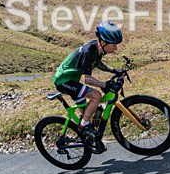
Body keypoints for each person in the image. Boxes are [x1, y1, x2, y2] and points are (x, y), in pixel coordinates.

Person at [52, 21, 124, 149]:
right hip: (64, 81)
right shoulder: (88, 51)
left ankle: (88, 139)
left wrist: (114, 70)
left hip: (73, 79)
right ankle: (84, 125)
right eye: (114, 45)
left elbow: (97, 63)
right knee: (96, 96)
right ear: (104, 42)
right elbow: (88, 79)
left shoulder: (97, 48)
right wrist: (104, 84)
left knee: (90, 108)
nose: (116, 48)